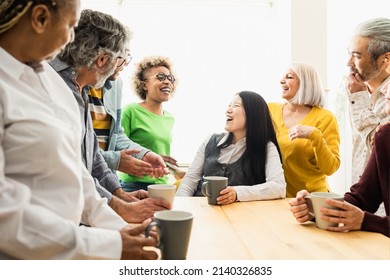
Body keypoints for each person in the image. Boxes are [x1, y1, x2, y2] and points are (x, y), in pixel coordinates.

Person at [0, 0, 157, 259]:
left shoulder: (49, 81)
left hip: (65, 248)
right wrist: (106, 244)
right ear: (40, 18)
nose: (73, 40)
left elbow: (75, 171)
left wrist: (120, 230)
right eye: (71, 26)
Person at [49, 9, 170, 223]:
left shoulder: (81, 87)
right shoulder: (53, 84)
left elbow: (92, 156)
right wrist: (119, 207)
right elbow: (69, 169)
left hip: (84, 208)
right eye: (120, 59)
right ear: (103, 59)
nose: (120, 67)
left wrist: (119, 195)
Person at [288, 81, 390, 237]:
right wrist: (317, 208)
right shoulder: (385, 136)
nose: (386, 95)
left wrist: (367, 221)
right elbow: (362, 197)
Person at [176, 91, 286, 204]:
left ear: (253, 113)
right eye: (229, 105)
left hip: (239, 216)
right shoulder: (210, 140)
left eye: (236, 106)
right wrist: (181, 206)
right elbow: (189, 181)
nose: (228, 110)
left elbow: (278, 187)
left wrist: (237, 193)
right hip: (202, 210)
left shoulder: (266, 147)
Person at [268, 62, 341, 198]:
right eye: (283, 77)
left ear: (305, 84)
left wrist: (314, 135)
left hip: (311, 200)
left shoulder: (325, 118)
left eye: (289, 77)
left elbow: (331, 168)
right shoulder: (270, 110)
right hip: (275, 199)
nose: (281, 80)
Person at [119, 55, 180, 192]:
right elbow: (117, 149)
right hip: (132, 186)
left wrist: (169, 165)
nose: (167, 82)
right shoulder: (130, 111)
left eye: (170, 78)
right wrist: (146, 159)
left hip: (162, 185)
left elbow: (159, 152)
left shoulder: (169, 118)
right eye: (160, 77)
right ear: (144, 84)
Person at [345, 17, 390, 185]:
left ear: (386, 58)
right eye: (349, 54)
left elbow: (380, 148)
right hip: (358, 194)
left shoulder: (385, 96)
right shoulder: (353, 86)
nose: (348, 63)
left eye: (357, 56)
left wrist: (359, 99)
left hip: (383, 205)